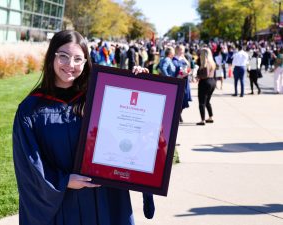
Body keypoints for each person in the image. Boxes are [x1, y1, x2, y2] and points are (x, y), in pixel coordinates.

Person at [13, 30, 154, 225]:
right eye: (63, 56)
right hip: (63, 205)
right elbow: (28, 163)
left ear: (85, 62)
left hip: (105, 198)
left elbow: (133, 127)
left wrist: (138, 84)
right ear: (51, 56)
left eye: (78, 59)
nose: (70, 65)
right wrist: (63, 182)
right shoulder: (31, 109)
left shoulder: (102, 96)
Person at [196, 47, 216, 125]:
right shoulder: (212, 62)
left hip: (205, 82)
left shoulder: (205, 63)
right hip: (212, 82)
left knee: (202, 102)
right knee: (207, 101)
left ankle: (202, 120)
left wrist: (198, 76)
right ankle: (211, 117)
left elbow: (205, 74)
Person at [172, 45, 192, 123]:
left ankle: (179, 114)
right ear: (177, 50)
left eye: (183, 50)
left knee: (184, 99)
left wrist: (188, 72)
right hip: (177, 81)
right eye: (180, 50)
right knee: (178, 100)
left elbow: (189, 67)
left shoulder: (184, 59)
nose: (182, 51)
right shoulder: (174, 60)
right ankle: (177, 115)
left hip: (185, 81)